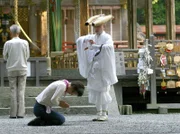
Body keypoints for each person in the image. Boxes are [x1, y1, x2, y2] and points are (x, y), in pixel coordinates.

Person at [76, 14, 118, 121]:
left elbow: (109, 47)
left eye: (98, 27)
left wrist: (96, 46)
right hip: (94, 68)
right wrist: (86, 42)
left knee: (103, 91)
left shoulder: (107, 37)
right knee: (94, 90)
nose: (96, 29)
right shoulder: (92, 37)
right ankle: (98, 112)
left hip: (103, 67)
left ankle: (104, 113)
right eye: (95, 27)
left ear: (103, 26)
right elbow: (80, 40)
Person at [3, 24, 30, 118]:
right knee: (21, 90)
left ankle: (13, 113)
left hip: (11, 68)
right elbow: (27, 56)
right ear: (19, 32)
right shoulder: (25, 42)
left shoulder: (8, 43)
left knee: (13, 90)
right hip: (22, 68)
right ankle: (21, 113)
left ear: (11, 33)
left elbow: (4, 56)